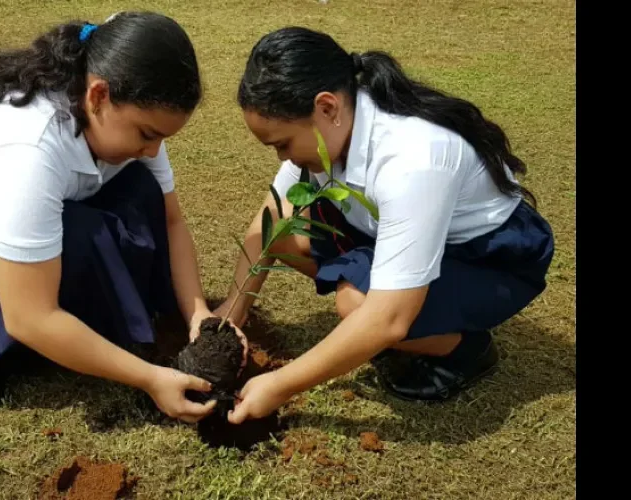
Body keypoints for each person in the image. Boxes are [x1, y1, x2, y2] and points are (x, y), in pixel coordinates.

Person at [0, 11, 241, 421]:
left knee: (140, 189)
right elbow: (28, 316)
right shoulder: (27, 147)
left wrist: (198, 312)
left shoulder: (123, 110)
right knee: (68, 243)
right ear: (97, 96)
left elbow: (171, 220)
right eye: (147, 134)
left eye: (162, 138)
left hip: (33, 187)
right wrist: (149, 378)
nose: (153, 150)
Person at [218, 27, 555, 424]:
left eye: (283, 144)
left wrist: (280, 384)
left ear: (326, 107)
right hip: (405, 230)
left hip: (489, 257)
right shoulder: (339, 125)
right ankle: (408, 313)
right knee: (287, 235)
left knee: (358, 304)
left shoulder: (413, 159)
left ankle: (465, 349)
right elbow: (270, 223)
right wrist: (230, 314)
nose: (282, 159)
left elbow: (388, 318)